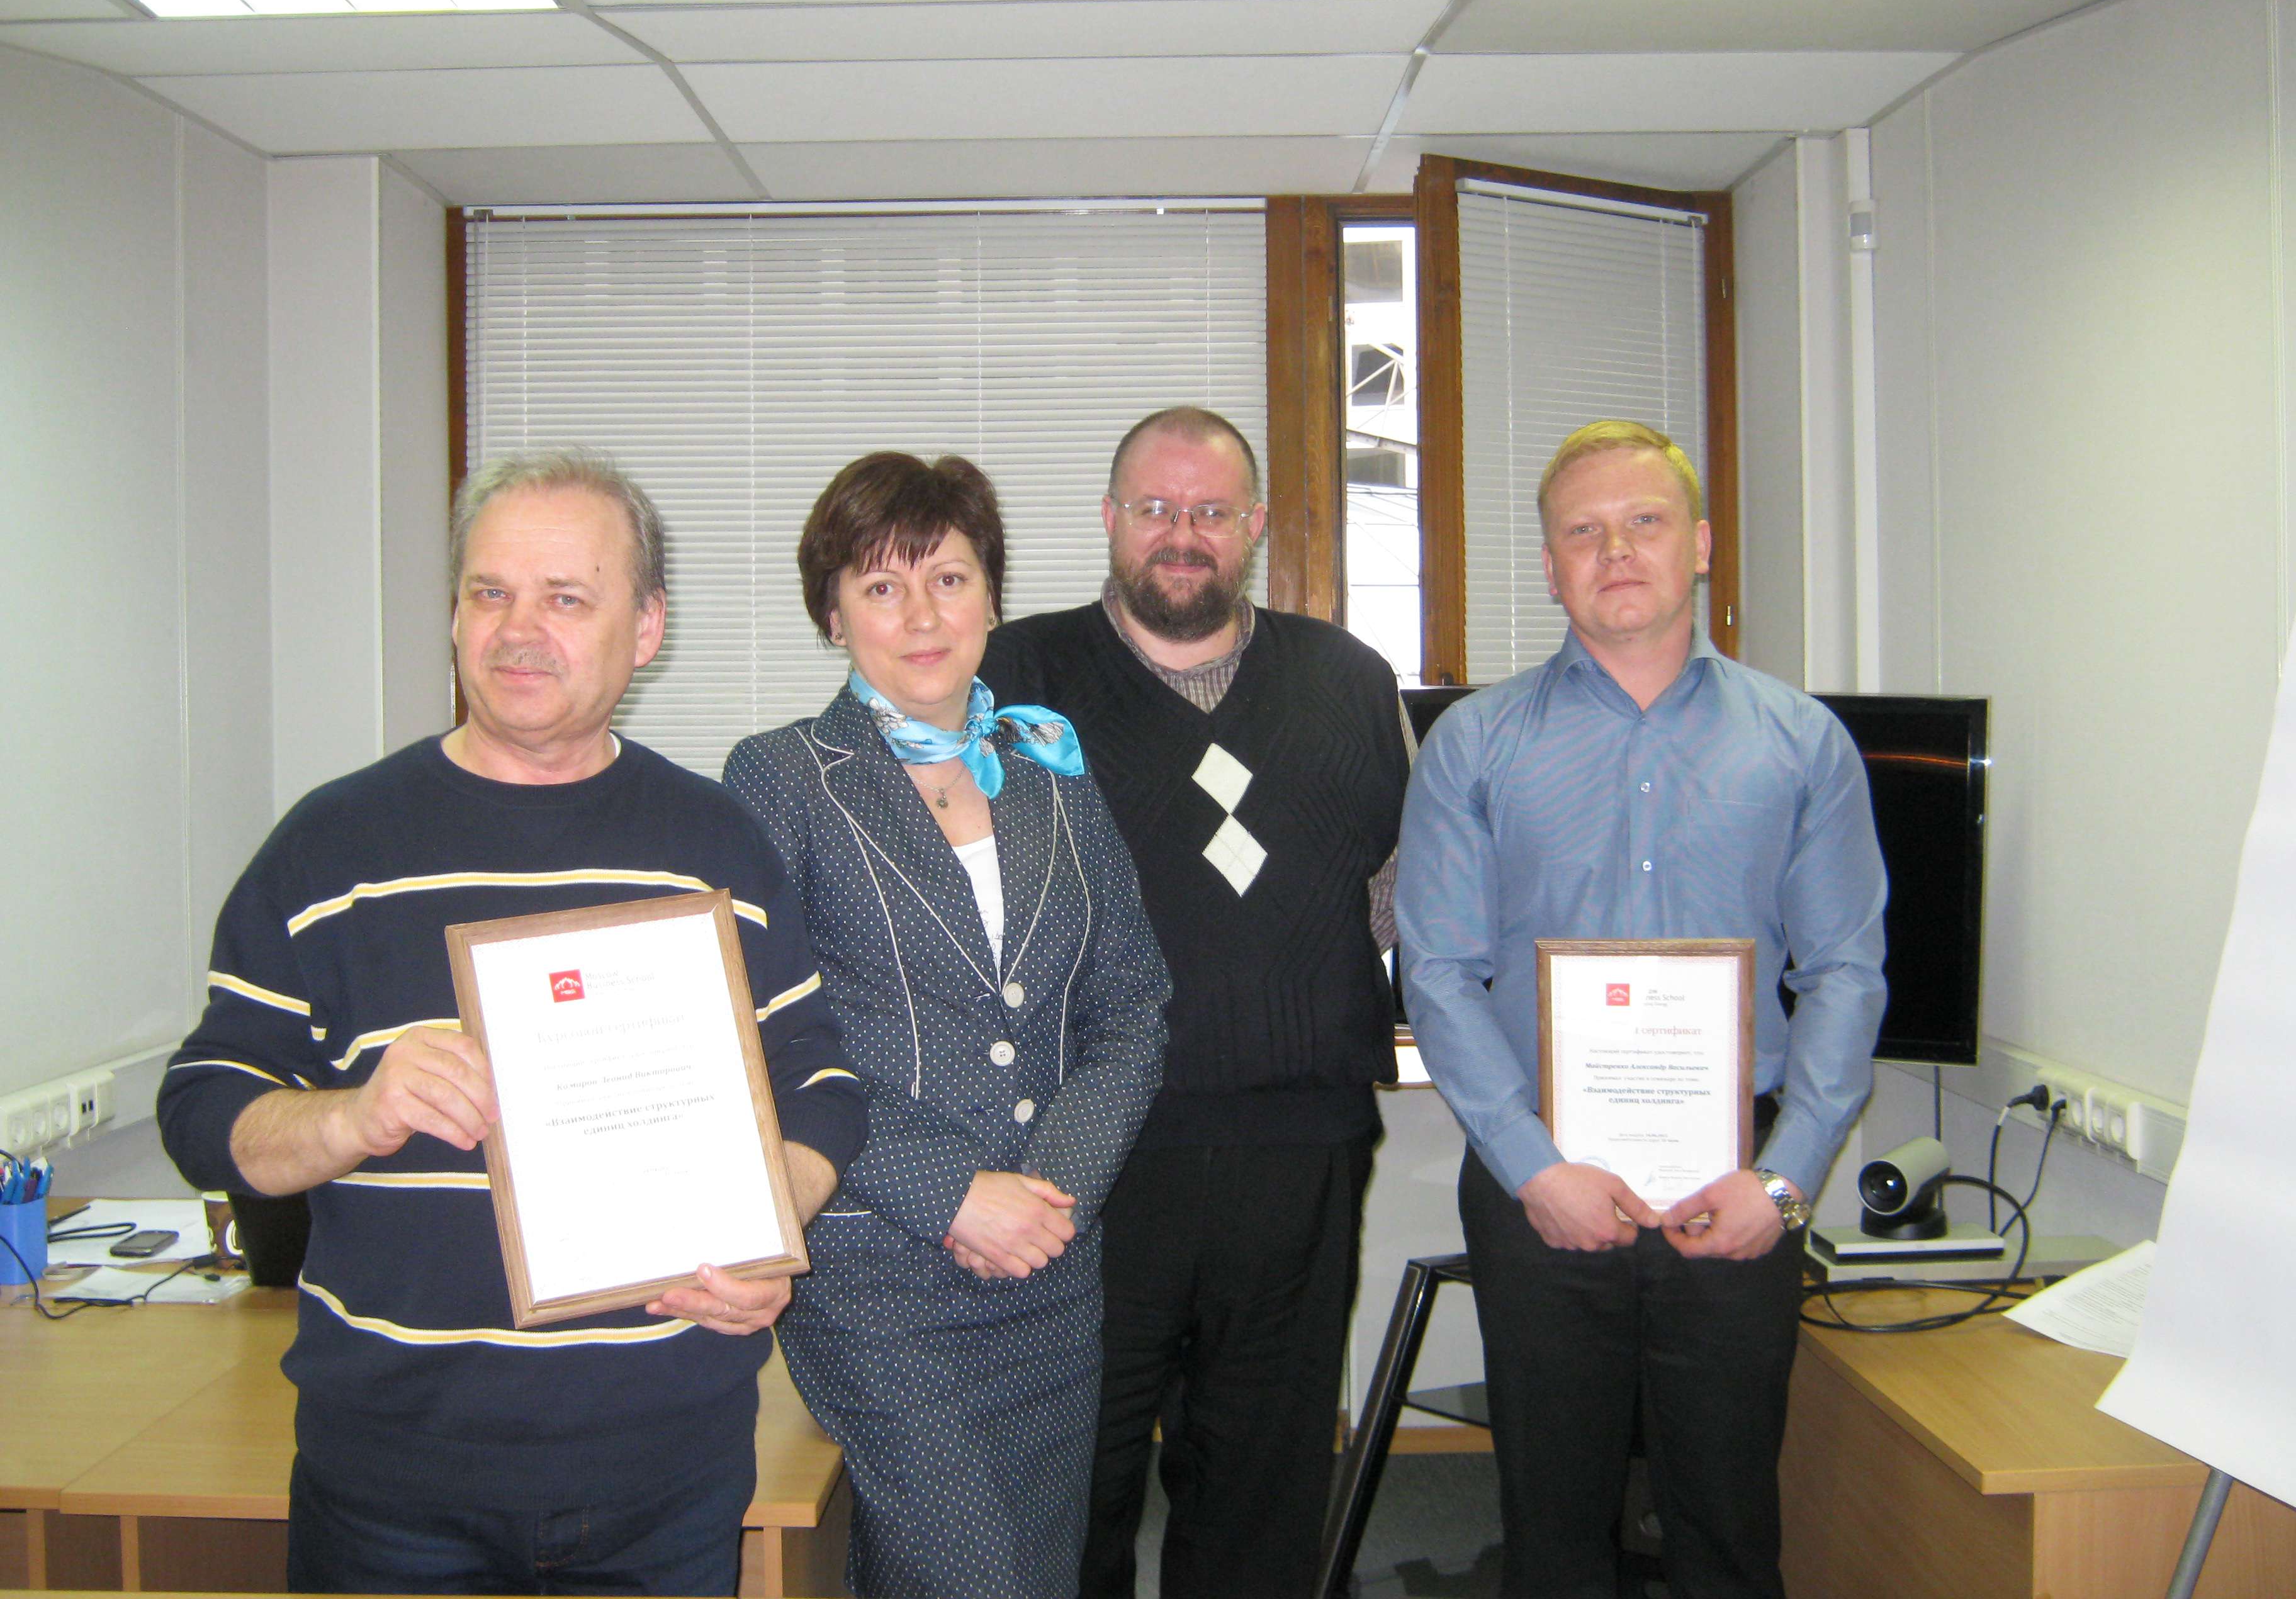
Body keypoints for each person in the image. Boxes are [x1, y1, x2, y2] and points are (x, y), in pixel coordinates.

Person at [157, 453, 866, 1597]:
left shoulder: (714, 845)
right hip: (392, 1486)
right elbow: (201, 1111)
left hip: (662, 1475)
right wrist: (352, 1116)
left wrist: (768, 1224)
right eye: (490, 592)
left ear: (647, 629)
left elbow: (819, 1081)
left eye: (566, 598)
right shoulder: (330, 847)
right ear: (454, 614)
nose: (518, 630)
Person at [1396, 418, 1887, 1599]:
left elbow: (1845, 972)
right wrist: (1534, 1168)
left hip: (1739, 1189)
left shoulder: (1802, 744)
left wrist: (1787, 1180)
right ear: (1551, 565)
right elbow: (1439, 970)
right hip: (1539, 1189)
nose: (1615, 550)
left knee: (1727, 1529)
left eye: (1645, 522)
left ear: (1700, 545)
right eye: (1584, 531)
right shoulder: (1475, 744)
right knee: (1553, 1534)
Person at [721, 452, 1170, 1599]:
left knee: (1040, 1572)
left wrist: (1053, 1190)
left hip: (1050, 1267)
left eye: (951, 580)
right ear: (833, 615)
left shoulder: (1052, 766)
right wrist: (952, 1194)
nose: (923, 616)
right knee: (966, 1574)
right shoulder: (781, 778)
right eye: (882, 587)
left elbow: (1131, 1003)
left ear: (992, 600)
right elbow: (757, 1036)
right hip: (878, 1270)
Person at [982, 407, 1412, 1599]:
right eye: (1157, 509)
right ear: (1110, 519)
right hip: (1083, 1157)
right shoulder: (1015, 678)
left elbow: (1399, 894)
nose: (1184, 534)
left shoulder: (1348, 680)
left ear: (1255, 525)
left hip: (1298, 1149)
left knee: (1263, 1484)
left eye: (1212, 511)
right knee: (1075, 1483)